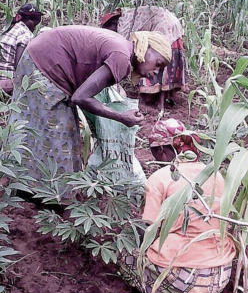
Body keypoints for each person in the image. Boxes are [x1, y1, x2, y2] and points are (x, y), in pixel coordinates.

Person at [8, 27, 171, 191]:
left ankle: (33, 189)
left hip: (41, 56)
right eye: (158, 64)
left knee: (53, 132)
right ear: (146, 47)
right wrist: (120, 117)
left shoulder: (122, 49)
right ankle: (43, 193)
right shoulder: (122, 58)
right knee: (56, 134)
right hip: (44, 64)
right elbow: (80, 97)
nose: (156, 72)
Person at [118, 119, 237, 293]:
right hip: (220, 276)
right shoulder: (216, 173)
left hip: (184, 283)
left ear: (164, 149)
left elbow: (150, 230)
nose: (155, 156)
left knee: (127, 256)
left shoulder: (160, 178)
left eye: (154, 150)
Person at [100, 6, 187, 111]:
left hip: (164, 28)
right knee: (153, 64)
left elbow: (127, 49)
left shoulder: (123, 23)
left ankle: (154, 103)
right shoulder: (129, 15)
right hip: (171, 25)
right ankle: (159, 101)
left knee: (147, 60)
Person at [0, 3, 43, 94]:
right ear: (29, 20)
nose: (34, 28)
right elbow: (20, 65)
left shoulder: (9, 27)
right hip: (7, 80)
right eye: (34, 24)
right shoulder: (25, 33)